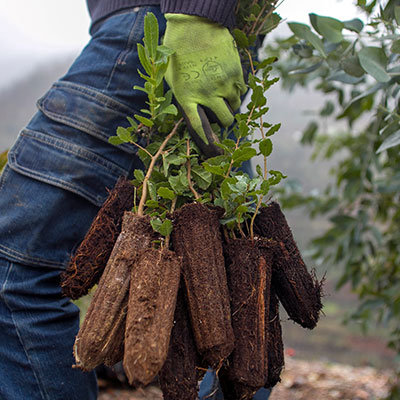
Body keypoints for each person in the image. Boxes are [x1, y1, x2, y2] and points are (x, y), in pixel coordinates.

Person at [0, 1, 271, 399]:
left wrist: (196, 16)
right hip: (197, 32)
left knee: (15, 274)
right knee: (233, 282)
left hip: (166, 29)